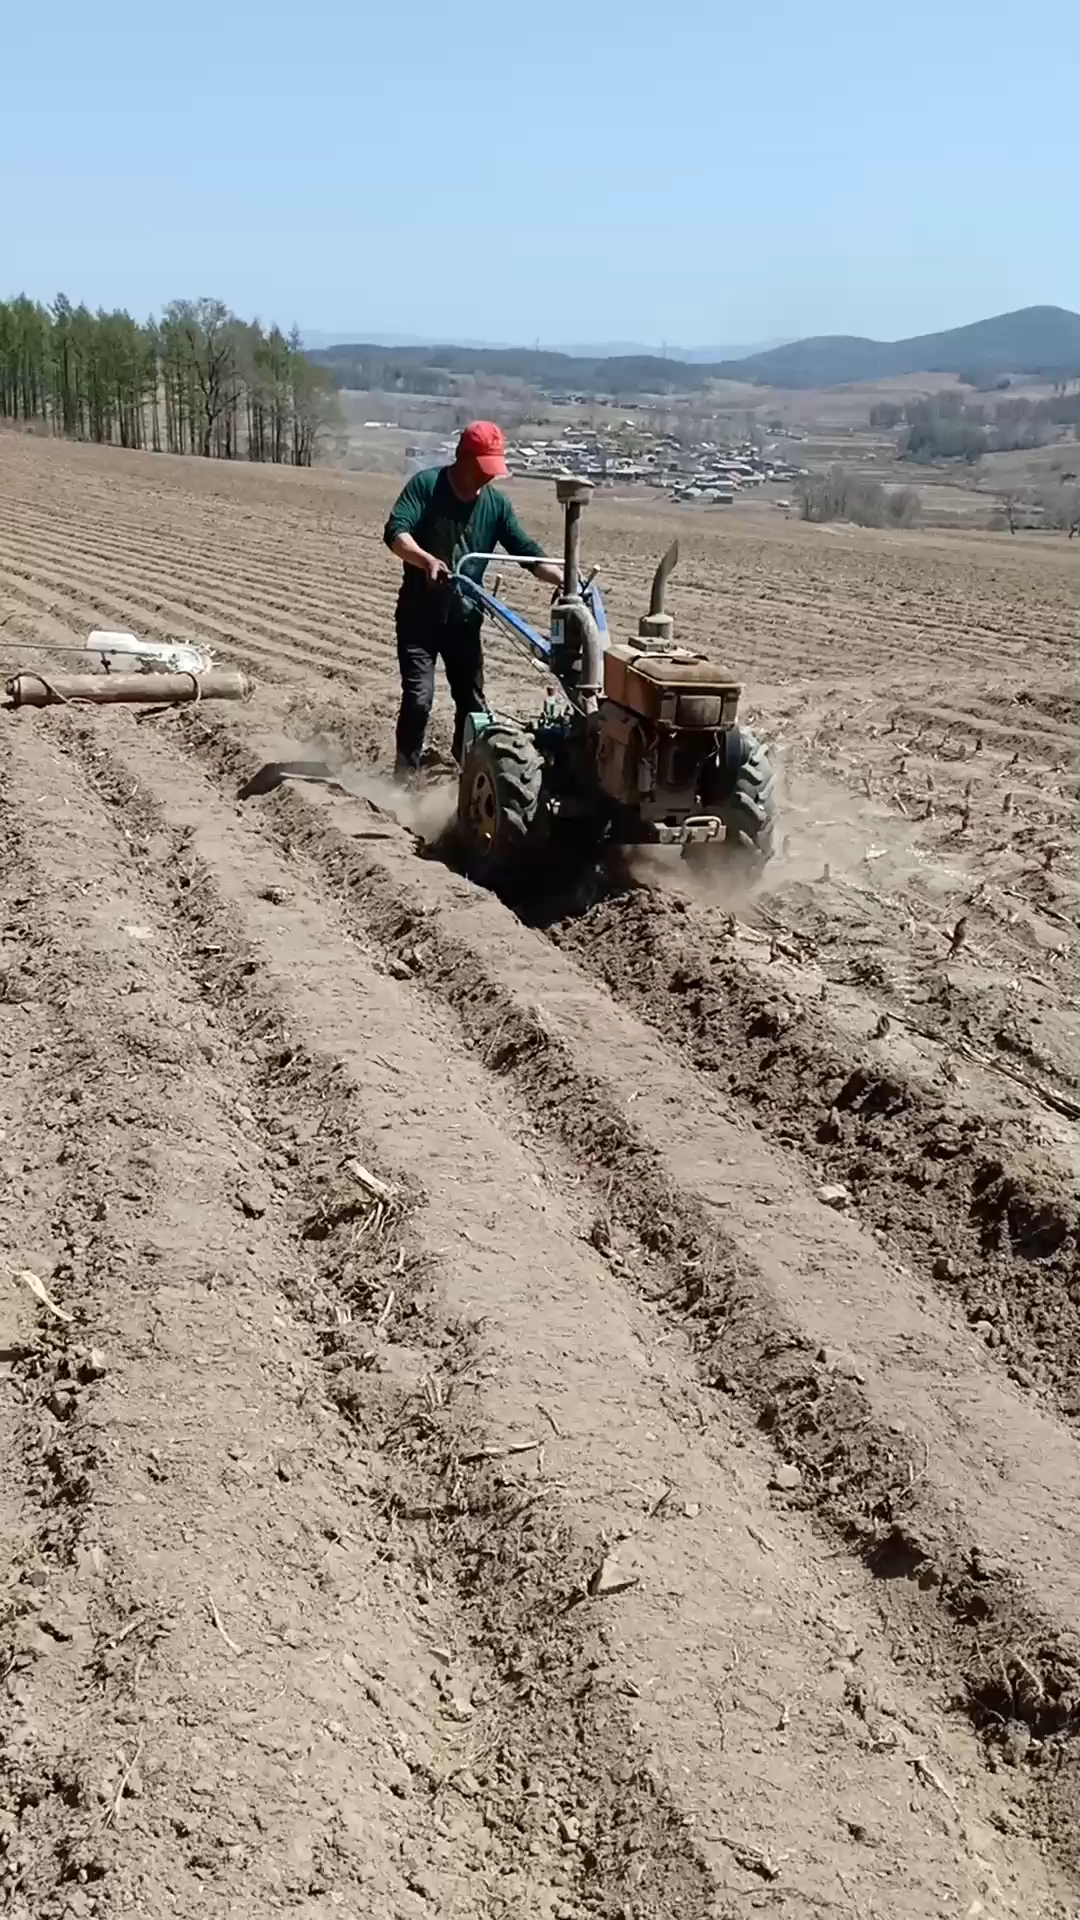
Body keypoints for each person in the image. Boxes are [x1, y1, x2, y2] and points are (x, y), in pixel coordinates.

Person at [383, 421, 563, 776]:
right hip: (419, 618)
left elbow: (524, 551)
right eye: (482, 469)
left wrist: (562, 577)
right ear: (461, 459)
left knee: (472, 703)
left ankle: (466, 772)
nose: (488, 478)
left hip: (464, 622)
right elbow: (395, 532)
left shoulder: (495, 504)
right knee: (419, 699)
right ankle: (404, 777)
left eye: (492, 470)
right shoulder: (427, 486)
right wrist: (427, 561)